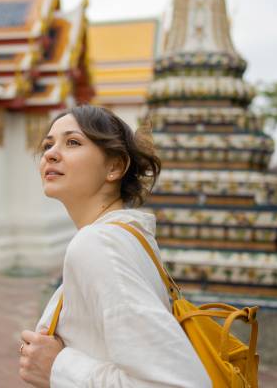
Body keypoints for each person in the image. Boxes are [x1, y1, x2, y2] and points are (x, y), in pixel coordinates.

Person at [18, 105, 208, 388]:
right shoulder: (124, 236)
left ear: (115, 167)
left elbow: (179, 383)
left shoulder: (99, 244)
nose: (50, 153)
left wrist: (58, 367)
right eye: (48, 144)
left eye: (72, 142)